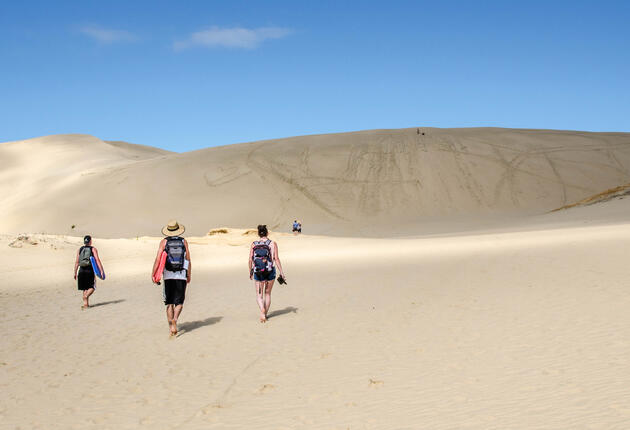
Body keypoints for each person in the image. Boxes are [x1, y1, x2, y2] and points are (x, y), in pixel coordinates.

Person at [152, 220, 191, 337]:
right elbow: (188, 259)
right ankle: (175, 319)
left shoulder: (164, 242)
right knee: (179, 302)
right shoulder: (184, 241)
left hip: (168, 276)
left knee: (169, 303)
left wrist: (154, 273)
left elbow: (158, 259)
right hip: (181, 275)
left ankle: (171, 327)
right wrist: (189, 274)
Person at [249, 224, 286, 323]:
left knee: (259, 295)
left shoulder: (254, 244)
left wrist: (250, 272)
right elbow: (276, 258)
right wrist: (282, 272)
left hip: (258, 272)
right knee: (267, 294)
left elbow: (250, 259)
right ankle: (265, 314)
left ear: (258, 233)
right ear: (267, 233)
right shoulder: (273, 243)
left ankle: (262, 310)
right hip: (270, 271)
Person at [74, 235, 104, 309]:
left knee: (85, 288)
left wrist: (75, 272)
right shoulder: (93, 249)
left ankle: (86, 305)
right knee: (92, 287)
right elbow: (97, 260)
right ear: (90, 241)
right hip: (89, 270)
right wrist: (101, 270)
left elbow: (77, 262)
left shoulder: (80, 249)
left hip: (81, 270)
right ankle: (86, 296)